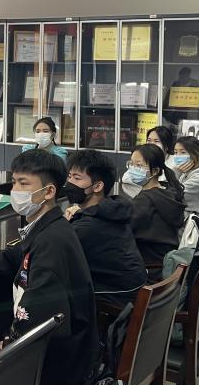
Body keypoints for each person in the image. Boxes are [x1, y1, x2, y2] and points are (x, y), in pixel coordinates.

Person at [0, 150, 96, 385]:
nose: (15, 190)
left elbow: (39, 323)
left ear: (49, 192)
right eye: (14, 182)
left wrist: (7, 344)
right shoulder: (49, 228)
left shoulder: (51, 244)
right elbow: (16, 254)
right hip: (52, 356)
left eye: (24, 183)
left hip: (45, 368)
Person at [63, 150, 147, 307]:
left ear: (97, 186)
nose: (69, 183)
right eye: (69, 176)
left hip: (117, 297)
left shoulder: (87, 227)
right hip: (133, 289)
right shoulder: (112, 209)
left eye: (77, 178)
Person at [127, 143, 186, 268]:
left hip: (148, 267)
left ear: (155, 171)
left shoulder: (146, 200)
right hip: (163, 261)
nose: (132, 169)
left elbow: (125, 226)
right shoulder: (166, 192)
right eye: (131, 164)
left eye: (138, 165)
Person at [120, 125, 176, 198]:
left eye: (156, 141)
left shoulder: (175, 162)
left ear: (167, 146)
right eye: (149, 140)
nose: (151, 144)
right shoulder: (144, 157)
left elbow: (157, 182)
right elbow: (125, 178)